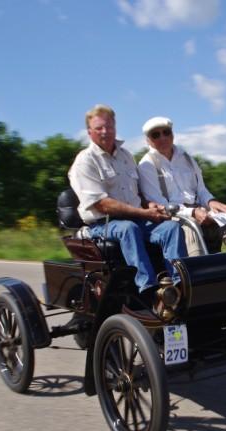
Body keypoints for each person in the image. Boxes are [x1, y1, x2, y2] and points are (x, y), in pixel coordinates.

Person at [67, 105, 186, 297]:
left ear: (114, 126)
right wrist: (143, 212)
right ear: (90, 132)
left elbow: (137, 194)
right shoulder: (85, 161)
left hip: (136, 218)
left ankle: (179, 284)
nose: (105, 132)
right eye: (99, 128)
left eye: (109, 126)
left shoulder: (126, 156)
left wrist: (149, 205)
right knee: (128, 229)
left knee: (171, 228)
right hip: (102, 224)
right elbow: (102, 204)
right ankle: (148, 289)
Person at [138, 116, 226, 256]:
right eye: (156, 135)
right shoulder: (147, 165)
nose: (163, 137)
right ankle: (201, 274)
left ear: (172, 134)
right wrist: (192, 213)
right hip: (174, 215)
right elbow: (160, 205)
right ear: (148, 140)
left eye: (166, 132)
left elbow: (201, 190)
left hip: (198, 209)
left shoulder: (187, 158)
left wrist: (212, 202)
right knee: (190, 228)